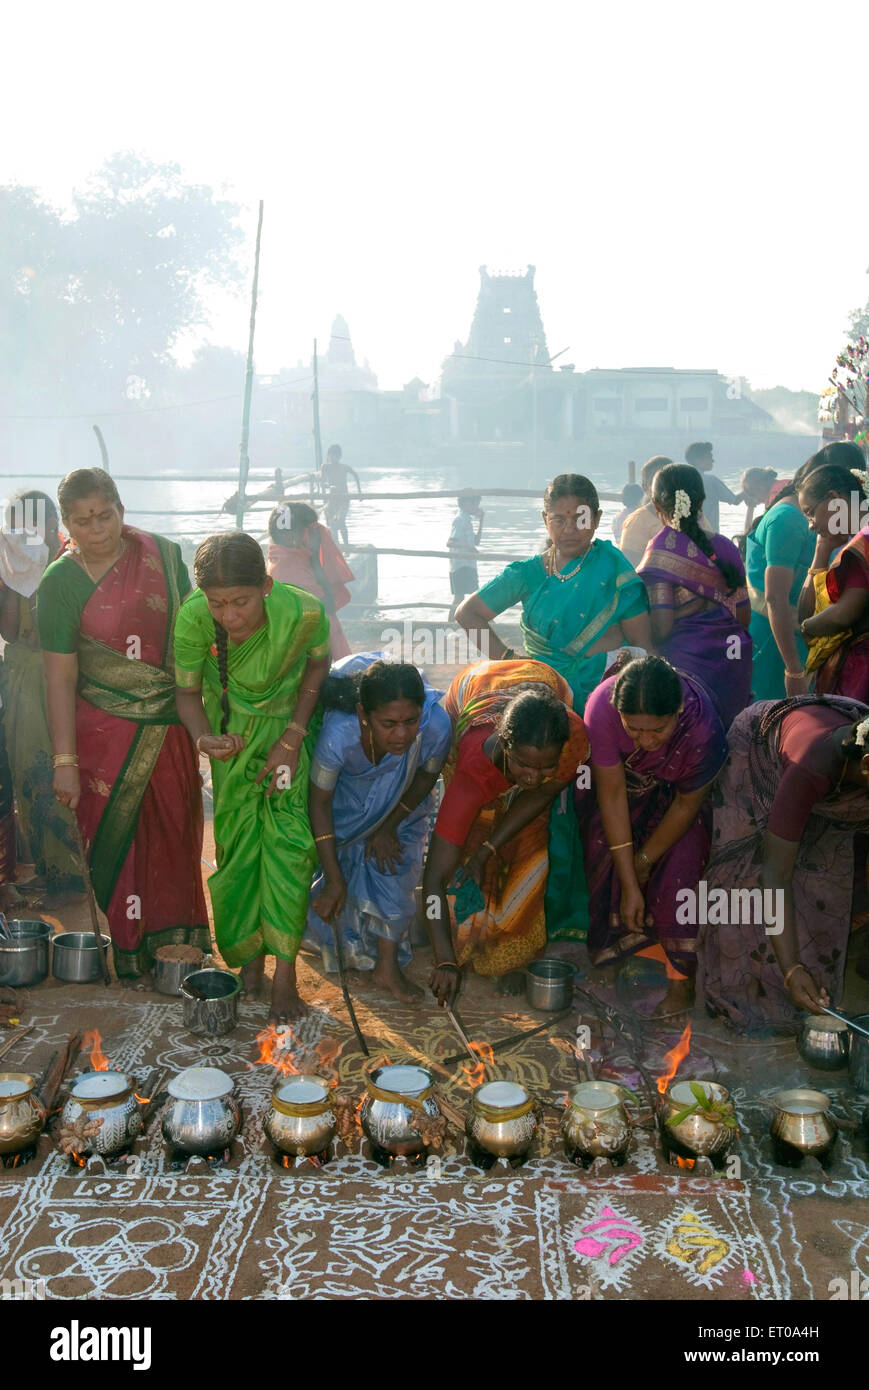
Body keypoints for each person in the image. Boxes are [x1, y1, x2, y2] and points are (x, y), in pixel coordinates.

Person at [456, 473, 650, 943]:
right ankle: (526, 915)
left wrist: (616, 670)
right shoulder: (528, 572)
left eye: (580, 517)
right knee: (531, 800)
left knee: (589, 803)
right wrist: (510, 664)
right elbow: (468, 613)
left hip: (597, 703)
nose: (570, 528)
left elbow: (645, 648)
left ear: (597, 519)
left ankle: (583, 917)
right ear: (545, 520)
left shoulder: (614, 568)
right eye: (559, 518)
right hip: (541, 701)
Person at [38, 468, 208, 981]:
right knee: (119, 839)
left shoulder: (163, 555)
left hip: (168, 724)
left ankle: (180, 943)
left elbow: (194, 643)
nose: (97, 529)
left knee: (176, 830)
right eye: (83, 521)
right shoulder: (59, 584)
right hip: (100, 737)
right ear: (67, 525)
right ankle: (131, 947)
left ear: (121, 510)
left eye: (105, 515)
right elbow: (59, 679)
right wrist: (64, 762)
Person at [174, 531, 330, 1022]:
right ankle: (250, 966)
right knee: (238, 855)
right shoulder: (192, 618)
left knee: (290, 850)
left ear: (265, 584)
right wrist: (204, 739)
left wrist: (292, 737)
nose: (229, 616)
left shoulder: (304, 613)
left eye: (240, 601)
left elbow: (319, 662)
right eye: (218, 604)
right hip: (232, 747)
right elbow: (187, 696)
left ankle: (285, 977)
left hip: (288, 738)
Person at [699, 696, 869, 1032]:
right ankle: (747, 993)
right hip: (757, 755)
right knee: (745, 879)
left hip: (831, 778)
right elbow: (774, 876)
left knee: (823, 877)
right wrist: (791, 967)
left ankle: (811, 991)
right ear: (866, 764)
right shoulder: (811, 766)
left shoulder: (855, 768)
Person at [424, 659, 589, 1003]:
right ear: (504, 744)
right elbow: (434, 880)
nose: (531, 776)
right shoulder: (473, 769)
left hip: (545, 680)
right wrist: (444, 960)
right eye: (523, 764)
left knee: (529, 843)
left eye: (544, 765)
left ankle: (513, 955)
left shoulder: (572, 738)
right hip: (472, 689)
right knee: (468, 840)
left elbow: (541, 793)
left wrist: (491, 849)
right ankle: (464, 944)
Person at [575, 655, 728, 1018]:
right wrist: (629, 878)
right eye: (633, 729)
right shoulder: (601, 708)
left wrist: (644, 862)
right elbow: (610, 794)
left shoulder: (702, 728)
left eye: (657, 731)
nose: (645, 741)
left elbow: (686, 805)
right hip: (623, 790)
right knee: (606, 851)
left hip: (680, 796)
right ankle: (615, 953)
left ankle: (680, 981)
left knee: (682, 866)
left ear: (677, 711)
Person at [306, 654, 451, 1001]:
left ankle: (387, 967)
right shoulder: (339, 735)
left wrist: (389, 826)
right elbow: (319, 803)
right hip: (342, 804)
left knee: (395, 865)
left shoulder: (436, 725)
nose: (402, 735)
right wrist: (335, 878)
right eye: (388, 724)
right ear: (363, 716)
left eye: (410, 721)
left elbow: (428, 775)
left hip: (403, 803)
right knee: (338, 871)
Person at [0, 491, 83, 905]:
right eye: (19, 529)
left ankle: (70, 876)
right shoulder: (11, 566)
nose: (29, 536)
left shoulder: (71, 564)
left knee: (60, 773)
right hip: (19, 679)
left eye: (38, 527)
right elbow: (13, 634)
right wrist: (15, 579)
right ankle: (50, 874)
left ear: (55, 527)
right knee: (27, 774)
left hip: (61, 679)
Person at [638, 463, 752, 730]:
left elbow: (663, 627)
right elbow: (743, 617)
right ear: (701, 501)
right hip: (733, 662)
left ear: (656, 505)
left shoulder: (660, 551)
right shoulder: (725, 547)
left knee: (690, 742)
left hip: (687, 666)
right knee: (727, 738)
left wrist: (685, 611)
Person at [797, 462, 869, 701]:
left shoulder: (863, 543)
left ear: (833, 499)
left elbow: (843, 615)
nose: (811, 525)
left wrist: (807, 629)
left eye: (810, 512)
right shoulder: (856, 542)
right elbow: (807, 610)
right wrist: (821, 550)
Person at [744, 473, 814, 701]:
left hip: (801, 635)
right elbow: (775, 599)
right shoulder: (787, 519)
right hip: (778, 639)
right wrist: (794, 670)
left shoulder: (813, 520)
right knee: (771, 714)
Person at [267, 502, 355, 659]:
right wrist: (315, 560)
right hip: (308, 659)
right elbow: (326, 608)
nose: (321, 534)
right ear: (294, 537)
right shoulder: (290, 568)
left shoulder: (288, 558)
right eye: (314, 530)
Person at [619, 457, 673, 567]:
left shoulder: (692, 516)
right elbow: (629, 568)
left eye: (669, 480)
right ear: (645, 487)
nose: (663, 486)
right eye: (656, 482)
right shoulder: (637, 521)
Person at [685, 441, 744, 533]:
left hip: (688, 533)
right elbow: (735, 500)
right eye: (709, 457)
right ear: (698, 460)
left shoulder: (682, 480)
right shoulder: (711, 480)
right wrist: (749, 487)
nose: (713, 460)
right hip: (709, 535)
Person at [447, 491, 484, 622]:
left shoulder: (467, 520)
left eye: (477, 503)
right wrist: (469, 548)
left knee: (471, 596)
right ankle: (449, 625)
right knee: (461, 597)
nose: (476, 506)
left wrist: (481, 521)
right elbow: (450, 542)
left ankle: (484, 622)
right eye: (474, 503)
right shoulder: (460, 520)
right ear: (465, 504)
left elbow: (476, 542)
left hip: (468, 564)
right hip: (460, 565)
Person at [321, 444, 362, 547]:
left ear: (340, 457)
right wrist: (326, 490)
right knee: (332, 524)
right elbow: (322, 481)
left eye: (336, 456)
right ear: (328, 456)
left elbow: (355, 475)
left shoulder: (344, 467)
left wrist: (359, 492)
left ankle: (346, 546)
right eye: (332, 456)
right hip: (331, 499)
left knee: (340, 521)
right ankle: (337, 547)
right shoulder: (325, 467)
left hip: (344, 499)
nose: (334, 458)